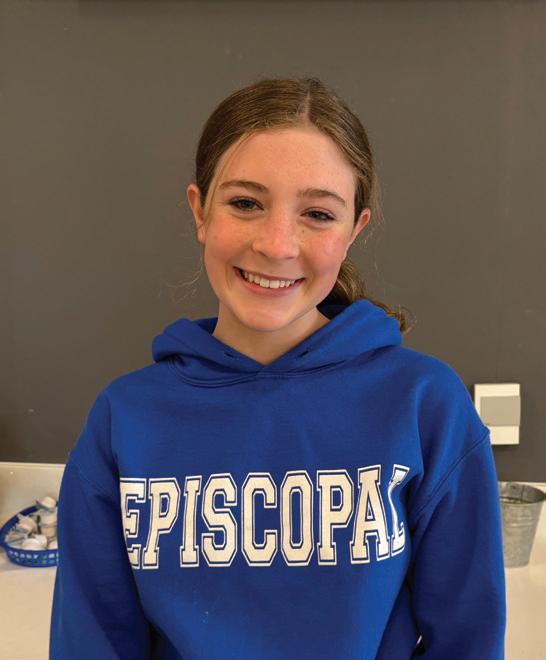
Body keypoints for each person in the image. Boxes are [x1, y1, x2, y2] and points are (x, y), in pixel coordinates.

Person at [49, 76, 506, 659]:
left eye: (317, 213)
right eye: (246, 203)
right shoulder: (124, 419)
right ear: (200, 211)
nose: (277, 244)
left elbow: (467, 641)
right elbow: (91, 643)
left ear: (354, 230)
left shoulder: (425, 405)